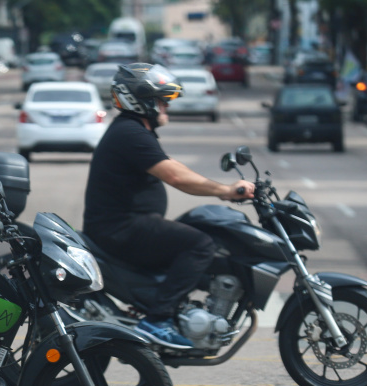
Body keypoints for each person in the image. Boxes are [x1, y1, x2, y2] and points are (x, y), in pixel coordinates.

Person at [83, 63, 255, 349]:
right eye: (162, 100)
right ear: (141, 100)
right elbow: (175, 175)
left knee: (196, 229)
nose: (166, 106)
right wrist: (224, 190)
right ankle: (158, 319)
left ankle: (170, 307)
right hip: (120, 228)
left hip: (125, 225)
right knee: (199, 243)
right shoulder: (130, 133)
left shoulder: (134, 131)